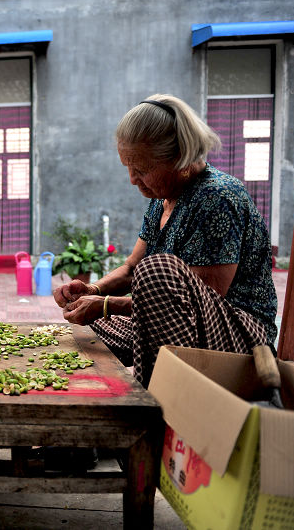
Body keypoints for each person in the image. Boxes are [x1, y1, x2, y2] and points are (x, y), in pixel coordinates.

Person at [53, 94, 277, 388]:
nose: (133, 179)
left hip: (240, 337)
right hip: (183, 327)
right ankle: (130, 378)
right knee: (88, 319)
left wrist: (107, 304)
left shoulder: (217, 197)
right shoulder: (162, 200)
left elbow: (201, 299)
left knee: (157, 271)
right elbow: (133, 268)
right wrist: (92, 290)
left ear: (179, 160)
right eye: (128, 168)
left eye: (142, 170)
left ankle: (157, 404)